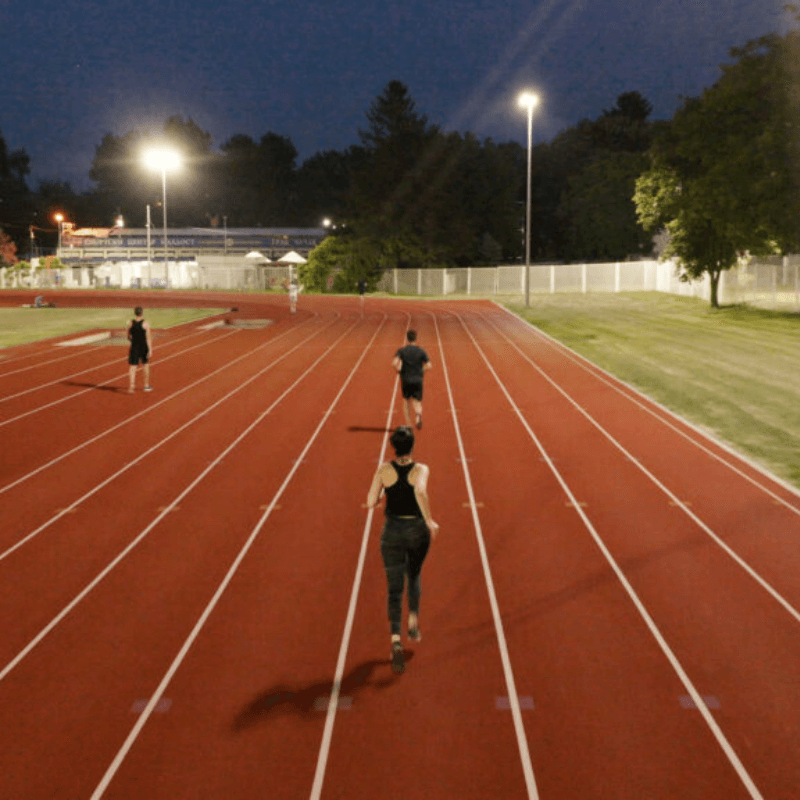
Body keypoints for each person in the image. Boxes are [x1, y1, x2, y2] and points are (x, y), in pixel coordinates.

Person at [367, 426, 439, 674]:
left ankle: (395, 639)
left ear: (393, 447)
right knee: (414, 574)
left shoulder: (384, 470)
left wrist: (378, 500)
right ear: (412, 446)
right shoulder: (421, 469)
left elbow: (369, 501)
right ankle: (413, 620)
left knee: (394, 586)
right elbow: (419, 491)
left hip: (391, 532)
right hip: (416, 529)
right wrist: (429, 520)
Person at [392, 329, 431, 429]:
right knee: (417, 401)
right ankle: (418, 415)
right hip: (418, 379)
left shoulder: (402, 351)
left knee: (406, 403)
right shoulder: (421, 351)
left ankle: (409, 425)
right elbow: (429, 365)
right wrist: (421, 370)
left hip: (406, 379)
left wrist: (399, 370)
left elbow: (394, 363)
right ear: (416, 338)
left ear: (407, 338)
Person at [126, 306, 153, 393]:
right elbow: (148, 338)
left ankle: (131, 387)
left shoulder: (130, 323)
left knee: (132, 367)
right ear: (141, 313)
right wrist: (150, 349)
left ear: (135, 313)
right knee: (145, 365)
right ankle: (146, 385)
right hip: (143, 346)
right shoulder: (145, 323)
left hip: (134, 347)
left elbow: (128, 336)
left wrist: (133, 341)